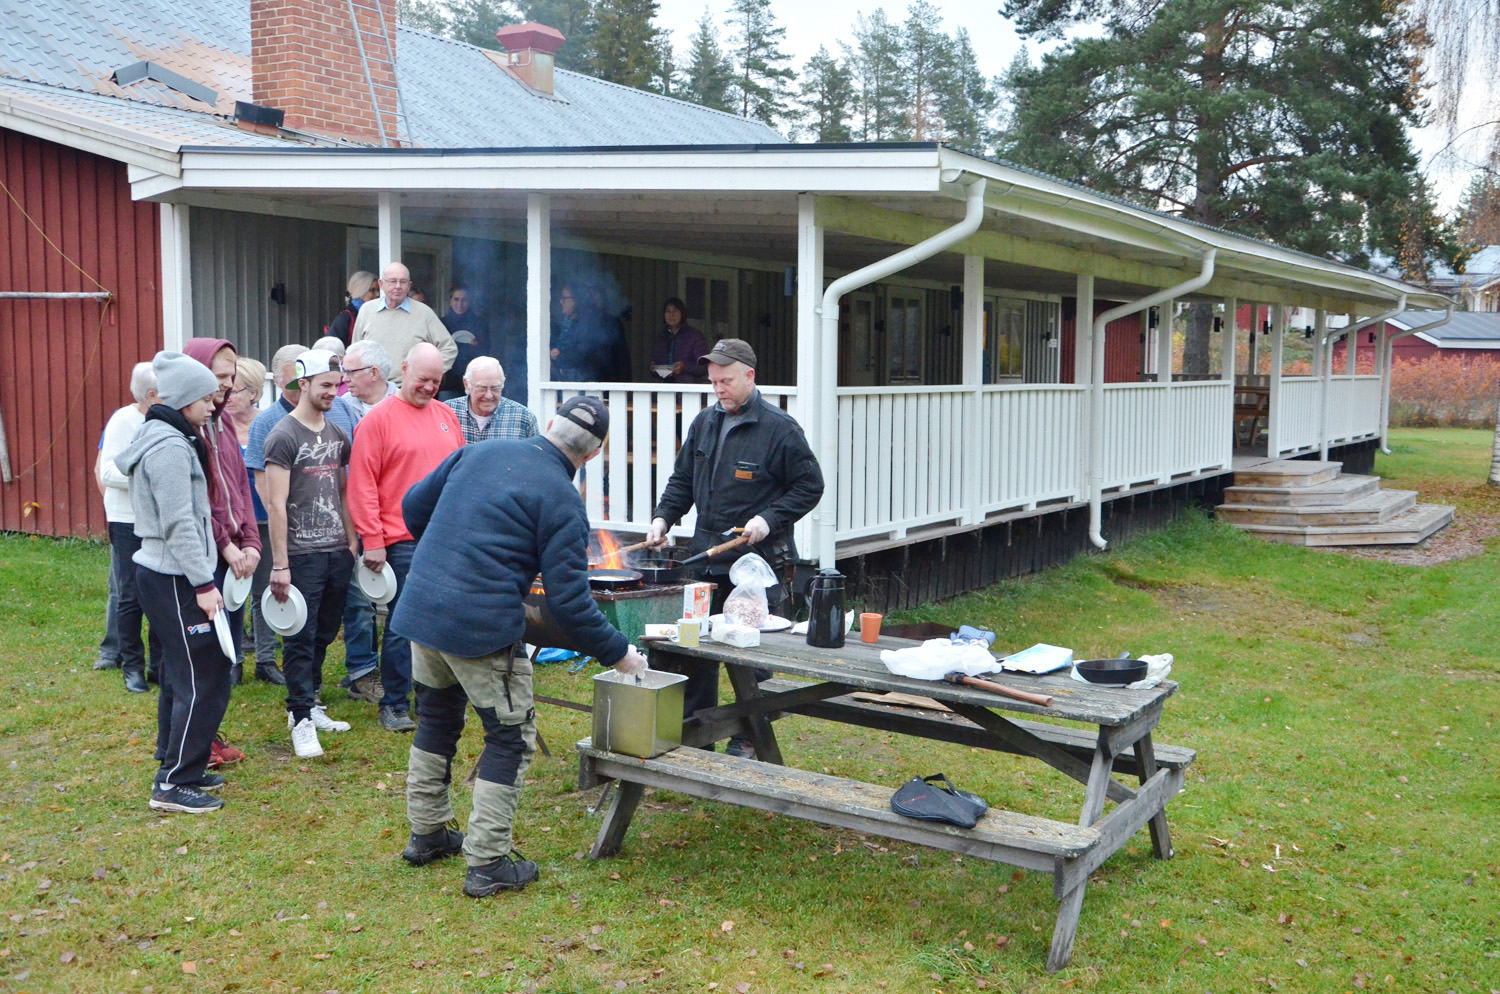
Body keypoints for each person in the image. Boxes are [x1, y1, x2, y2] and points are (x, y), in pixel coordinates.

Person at [392, 395, 648, 896]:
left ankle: (426, 834)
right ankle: (486, 862)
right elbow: (572, 606)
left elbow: (411, 509)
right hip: (480, 629)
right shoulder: (562, 500)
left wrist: (451, 551)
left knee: (437, 717)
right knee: (509, 736)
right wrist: (621, 652)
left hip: (423, 611)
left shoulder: (478, 452)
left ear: (549, 424)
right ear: (593, 455)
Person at [645, 339, 824, 756]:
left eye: (725, 381)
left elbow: (809, 486)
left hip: (757, 564)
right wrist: (662, 518)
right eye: (713, 382)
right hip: (705, 557)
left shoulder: (780, 428)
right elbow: (682, 481)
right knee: (696, 650)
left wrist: (769, 519)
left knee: (753, 657)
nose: (718, 389)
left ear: (749, 376)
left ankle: (748, 737)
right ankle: (696, 733)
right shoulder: (704, 422)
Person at [114, 351, 233, 814]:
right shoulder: (167, 447)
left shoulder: (175, 437)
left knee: (183, 674)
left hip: (173, 575)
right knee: (204, 677)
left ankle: (181, 759)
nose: (212, 405)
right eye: (205, 398)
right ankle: (172, 784)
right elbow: (179, 523)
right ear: (183, 399)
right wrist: (204, 583)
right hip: (174, 578)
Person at [347, 343, 465, 732]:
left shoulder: (448, 415)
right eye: (422, 379)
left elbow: (459, 478)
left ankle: (435, 697)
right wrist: (373, 539)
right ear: (403, 370)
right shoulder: (377, 421)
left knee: (443, 622)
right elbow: (362, 484)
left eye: (436, 381)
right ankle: (394, 703)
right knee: (404, 623)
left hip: (444, 537)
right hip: (400, 541)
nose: (429, 387)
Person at [264, 349, 357, 759]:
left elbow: (342, 491)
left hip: (336, 550)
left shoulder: (337, 435)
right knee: (299, 639)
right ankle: (299, 720)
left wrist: (352, 541)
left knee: (323, 632)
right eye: (325, 386)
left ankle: (311, 701)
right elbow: (276, 504)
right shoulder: (283, 436)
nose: (333, 393)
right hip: (300, 554)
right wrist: (280, 563)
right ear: (302, 384)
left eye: (337, 386)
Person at [181, 337, 260, 767]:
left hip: (234, 554)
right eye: (219, 378)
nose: (226, 388)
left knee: (227, 649)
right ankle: (191, 745)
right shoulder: (187, 429)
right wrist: (227, 545)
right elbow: (201, 500)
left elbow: (240, 489)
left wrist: (252, 540)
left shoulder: (224, 423)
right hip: (207, 555)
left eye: (231, 378)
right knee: (203, 656)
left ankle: (209, 734)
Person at [330, 339, 394, 708]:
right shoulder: (338, 408)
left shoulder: (405, 405)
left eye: (349, 372)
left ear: (373, 373)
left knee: (398, 597)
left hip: (398, 515)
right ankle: (362, 671)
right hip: (353, 515)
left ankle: (400, 670)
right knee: (357, 597)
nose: (343, 378)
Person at [242, 345, 306, 686]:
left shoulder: (322, 415)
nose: (302, 387)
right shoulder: (267, 422)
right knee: (264, 587)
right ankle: (261, 657)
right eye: (295, 381)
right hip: (266, 520)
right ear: (280, 381)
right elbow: (260, 479)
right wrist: (278, 518)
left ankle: (288, 654)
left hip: (310, 521)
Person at [97, 361, 161, 694]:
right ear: (152, 394)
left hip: (158, 520)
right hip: (127, 521)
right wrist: (149, 480)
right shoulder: (123, 421)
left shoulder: (165, 418)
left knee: (159, 593)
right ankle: (132, 667)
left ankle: (158, 666)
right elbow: (107, 472)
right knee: (130, 595)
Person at [351, 262, 457, 384]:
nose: (398, 286)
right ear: (381, 284)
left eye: (403, 282)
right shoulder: (366, 310)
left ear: (409, 285)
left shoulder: (424, 313)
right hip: (372, 390)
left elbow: (449, 348)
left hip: (408, 391)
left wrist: (427, 375)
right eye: (392, 281)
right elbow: (356, 352)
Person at [443, 357, 538, 444]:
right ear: (467, 385)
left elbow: (537, 459)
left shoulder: (523, 418)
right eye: (482, 389)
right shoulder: (447, 413)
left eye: (495, 388)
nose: (489, 395)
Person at [439, 284, 491, 400]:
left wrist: (455, 347)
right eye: (456, 299)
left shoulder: (479, 324)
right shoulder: (442, 324)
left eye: (464, 300)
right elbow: (439, 351)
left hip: (474, 382)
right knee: (448, 417)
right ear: (450, 301)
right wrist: (469, 347)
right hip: (449, 383)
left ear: (470, 301)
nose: (460, 304)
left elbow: (483, 352)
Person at [648, 296, 709, 383]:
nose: (671, 315)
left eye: (675, 311)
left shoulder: (694, 336)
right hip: (664, 389)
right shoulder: (661, 337)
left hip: (687, 389)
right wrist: (654, 369)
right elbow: (656, 363)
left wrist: (685, 367)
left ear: (682, 313)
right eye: (668, 311)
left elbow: (704, 367)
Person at [327, 271, 379, 347]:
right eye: (372, 290)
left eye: (378, 290)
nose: (377, 294)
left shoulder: (377, 314)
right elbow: (331, 347)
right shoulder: (346, 318)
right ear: (360, 291)